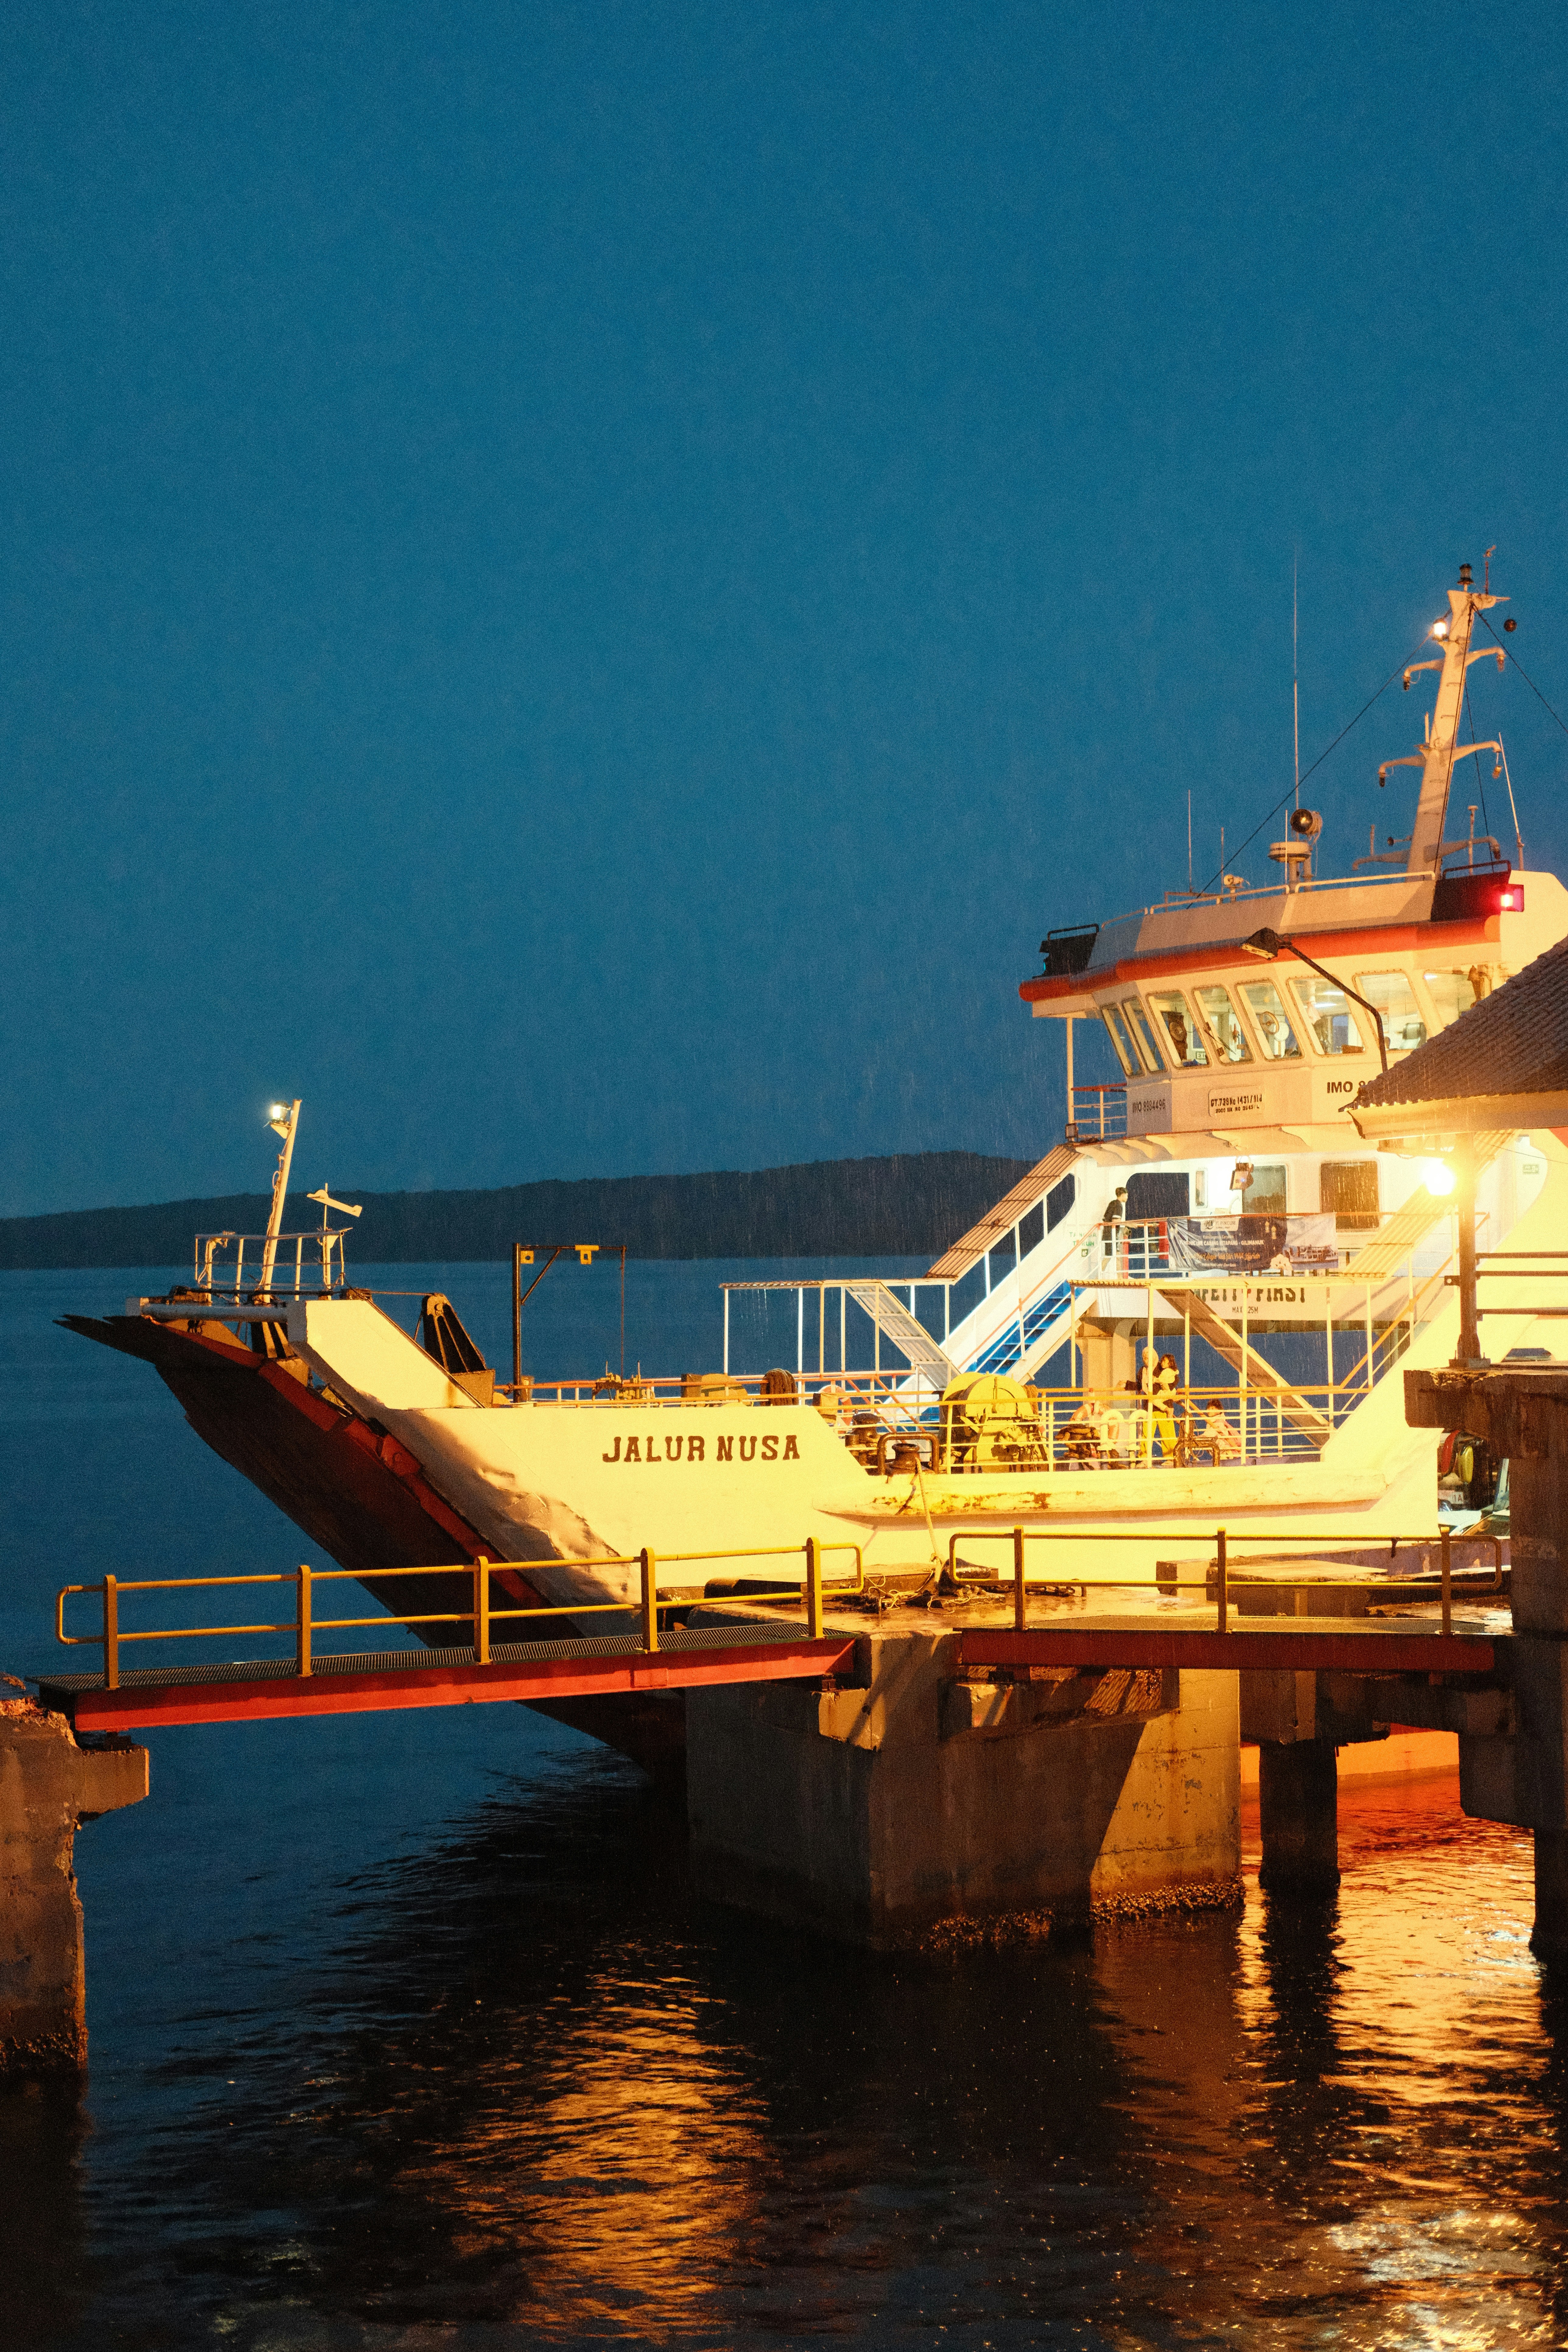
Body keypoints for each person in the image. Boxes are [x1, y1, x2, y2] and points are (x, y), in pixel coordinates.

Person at [1153, 1352, 1180, 1462]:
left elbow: (1163, 1381)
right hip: (1170, 1392)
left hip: (1166, 1392)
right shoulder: (1172, 1371)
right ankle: (1170, 1408)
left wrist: (1155, 1380)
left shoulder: (1167, 1371)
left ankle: (1168, 1409)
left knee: (1154, 1400)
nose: (1162, 1363)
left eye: (1164, 1361)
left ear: (1170, 1363)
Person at [1101, 1185, 1127, 1264]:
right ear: (1123, 1195)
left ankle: (1099, 1275)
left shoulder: (1112, 1203)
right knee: (1115, 1256)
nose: (1127, 1197)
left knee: (1110, 1256)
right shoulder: (1118, 1205)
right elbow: (1115, 1221)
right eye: (1127, 1195)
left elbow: (1105, 1219)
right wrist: (1130, 1224)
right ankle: (1120, 1276)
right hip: (1112, 1235)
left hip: (1107, 1234)